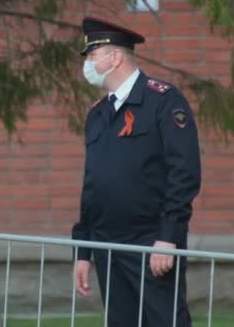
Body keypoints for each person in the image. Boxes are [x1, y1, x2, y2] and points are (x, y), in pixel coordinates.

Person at [72, 17, 201, 327]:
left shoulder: (162, 100)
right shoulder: (98, 113)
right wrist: (84, 249)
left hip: (150, 241)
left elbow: (184, 172)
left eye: (92, 55)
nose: (87, 63)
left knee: (164, 321)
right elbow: (94, 185)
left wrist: (168, 238)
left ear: (114, 57)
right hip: (107, 244)